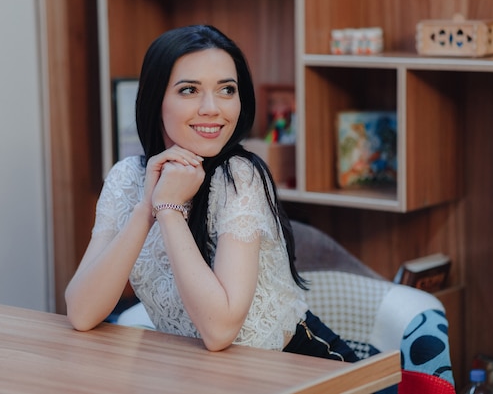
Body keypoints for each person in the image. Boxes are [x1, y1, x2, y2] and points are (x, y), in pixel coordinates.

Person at [65, 24, 358, 362]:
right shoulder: (126, 178)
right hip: (208, 374)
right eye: (189, 90)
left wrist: (170, 209)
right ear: (155, 99)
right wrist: (146, 207)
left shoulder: (239, 176)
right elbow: (82, 312)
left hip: (299, 365)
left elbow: (219, 332)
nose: (212, 108)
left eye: (226, 90)